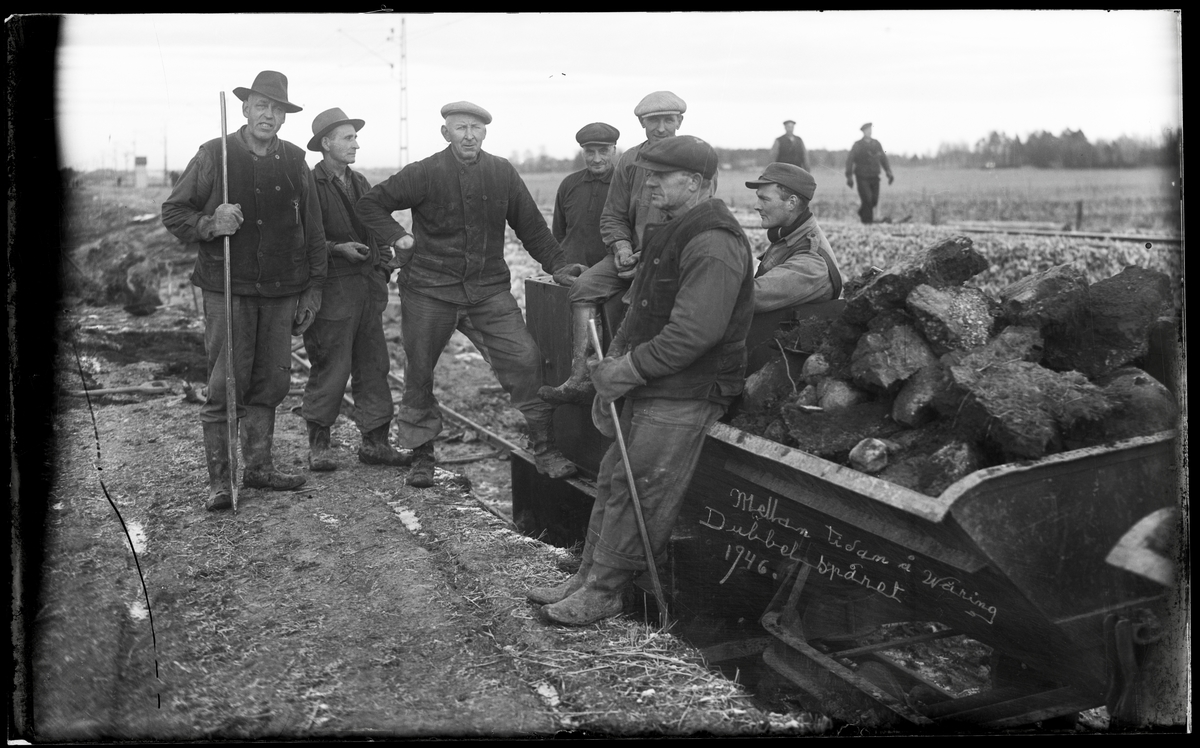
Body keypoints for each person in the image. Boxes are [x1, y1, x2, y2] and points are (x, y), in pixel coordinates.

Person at [528, 136, 755, 626]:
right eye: (648, 174)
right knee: (615, 479)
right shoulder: (673, 229)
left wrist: (625, 371)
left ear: (694, 182)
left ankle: (606, 592)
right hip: (655, 381)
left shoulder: (714, 242)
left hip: (687, 390)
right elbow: (642, 312)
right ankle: (587, 577)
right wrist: (613, 364)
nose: (647, 183)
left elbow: (694, 333)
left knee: (641, 490)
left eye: (660, 176)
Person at [355, 101, 587, 488]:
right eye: (460, 128)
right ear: (446, 133)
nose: (469, 135)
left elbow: (531, 227)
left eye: (476, 128)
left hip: (487, 291)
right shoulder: (425, 172)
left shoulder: (501, 172)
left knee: (525, 360)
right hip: (429, 290)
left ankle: (544, 446)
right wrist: (398, 236)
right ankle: (422, 454)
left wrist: (558, 265)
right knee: (420, 372)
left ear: (485, 133)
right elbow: (370, 204)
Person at [162, 70, 326, 511]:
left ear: (284, 117)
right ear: (245, 109)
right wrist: (209, 223)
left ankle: (259, 468)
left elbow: (313, 231)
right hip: (227, 288)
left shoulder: (295, 161)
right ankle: (221, 481)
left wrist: (312, 290)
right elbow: (174, 212)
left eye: (277, 109)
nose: (268, 115)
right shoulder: (213, 154)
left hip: (282, 290)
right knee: (225, 383)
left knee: (272, 381)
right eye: (261, 106)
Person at [541, 91, 686, 405]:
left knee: (642, 304)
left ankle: (633, 382)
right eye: (653, 121)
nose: (661, 128)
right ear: (642, 123)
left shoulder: (694, 158)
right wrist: (620, 247)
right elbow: (613, 215)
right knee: (583, 287)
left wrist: (649, 257)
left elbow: (692, 220)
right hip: (629, 256)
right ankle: (582, 376)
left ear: (680, 121)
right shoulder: (630, 161)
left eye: (668, 120)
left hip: (671, 259)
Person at [301, 107, 410, 473]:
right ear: (326, 143)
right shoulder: (309, 185)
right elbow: (301, 239)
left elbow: (376, 227)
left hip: (366, 289)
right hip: (332, 289)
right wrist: (337, 249)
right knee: (331, 366)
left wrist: (385, 264)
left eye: (355, 137)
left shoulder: (360, 182)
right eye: (348, 138)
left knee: (374, 365)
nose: (355, 144)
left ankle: (376, 444)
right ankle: (319, 446)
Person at [537, 121, 620, 404]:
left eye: (603, 151)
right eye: (589, 151)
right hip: (569, 282)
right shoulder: (569, 185)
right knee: (559, 349)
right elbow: (559, 232)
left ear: (614, 150)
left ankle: (595, 388)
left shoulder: (624, 185)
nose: (596, 158)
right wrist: (563, 265)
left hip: (609, 281)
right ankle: (574, 385)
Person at [744, 163, 843, 311]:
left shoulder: (812, 262)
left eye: (764, 199)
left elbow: (750, 297)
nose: (756, 206)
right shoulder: (789, 236)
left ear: (791, 203)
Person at [845, 122, 894, 224]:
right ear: (863, 132)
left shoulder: (876, 144)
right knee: (867, 199)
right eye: (867, 130)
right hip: (862, 177)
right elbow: (850, 160)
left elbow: (883, 159)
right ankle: (868, 223)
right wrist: (849, 176)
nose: (869, 131)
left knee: (874, 200)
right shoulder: (858, 145)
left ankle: (862, 213)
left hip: (875, 176)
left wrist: (888, 172)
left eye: (870, 129)